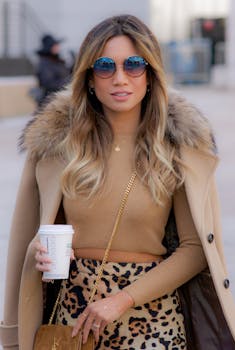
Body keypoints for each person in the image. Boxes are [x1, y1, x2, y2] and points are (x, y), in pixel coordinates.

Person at [0, 14, 235, 350]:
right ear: (90, 78)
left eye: (134, 65)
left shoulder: (179, 149)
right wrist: (37, 254)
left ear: (151, 76)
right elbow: (25, 237)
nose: (120, 78)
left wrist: (122, 299)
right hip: (72, 326)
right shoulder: (57, 148)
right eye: (106, 66)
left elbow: (196, 250)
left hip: (153, 326)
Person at [32, 34, 72, 106]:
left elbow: (66, 73)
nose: (58, 47)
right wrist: (68, 82)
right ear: (49, 47)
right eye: (55, 45)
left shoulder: (57, 60)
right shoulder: (44, 63)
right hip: (50, 102)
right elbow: (49, 83)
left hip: (60, 98)